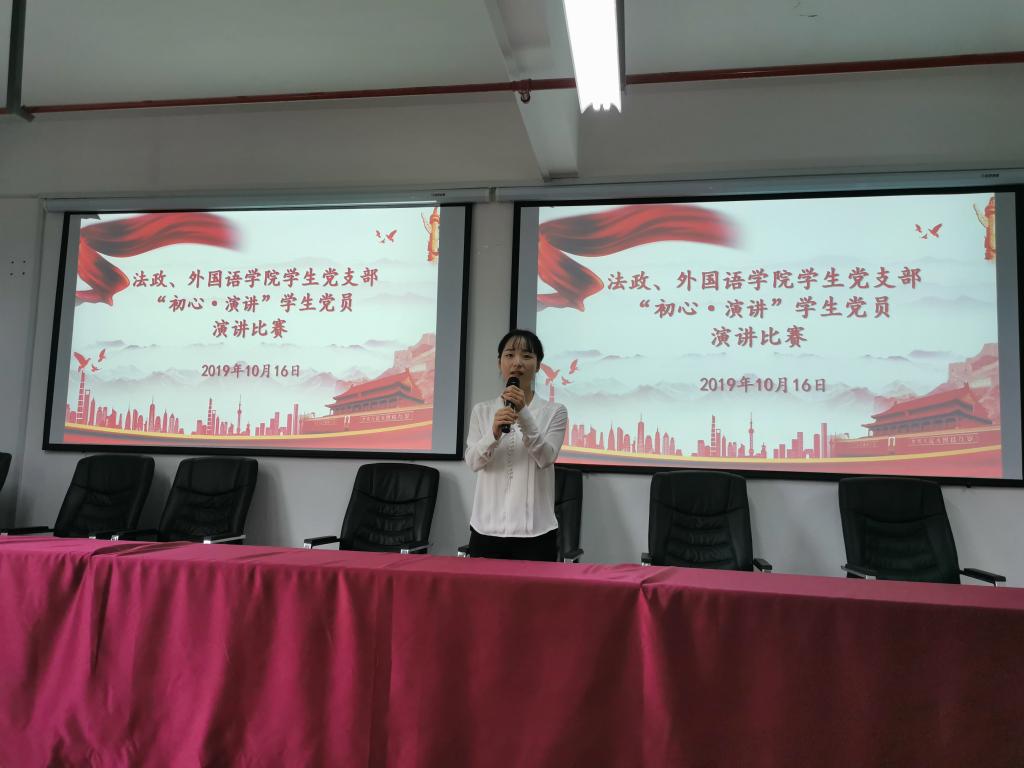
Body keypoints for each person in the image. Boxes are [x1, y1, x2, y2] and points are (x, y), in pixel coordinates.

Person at [464, 329, 568, 561]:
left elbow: (546, 457)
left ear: (538, 365)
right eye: (509, 355)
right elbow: (473, 462)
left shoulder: (555, 412)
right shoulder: (482, 411)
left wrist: (523, 413)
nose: (517, 362)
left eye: (527, 356)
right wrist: (493, 433)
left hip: (536, 533)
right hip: (486, 530)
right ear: (499, 363)